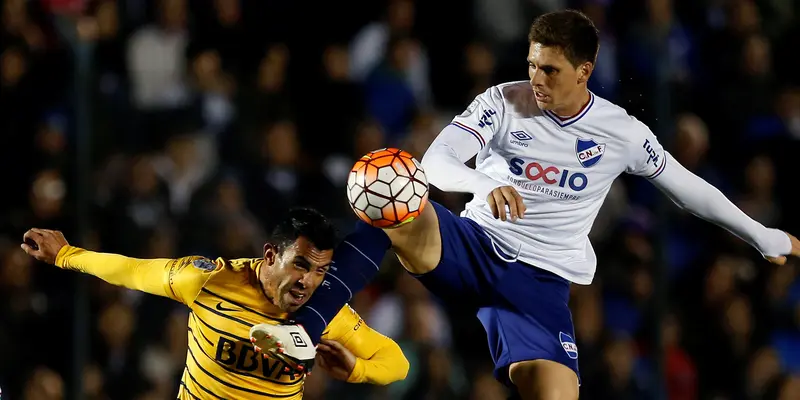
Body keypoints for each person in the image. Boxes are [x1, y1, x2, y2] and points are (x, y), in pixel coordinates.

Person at [252, 9, 800, 400]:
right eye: (533, 64)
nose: (536, 79)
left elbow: (688, 188)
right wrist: (480, 185)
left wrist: (764, 236)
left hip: (538, 288)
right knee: (393, 190)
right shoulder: (503, 101)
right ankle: (307, 326)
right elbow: (435, 162)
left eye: (551, 70)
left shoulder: (621, 132)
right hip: (472, 245)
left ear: (584, 72)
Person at [20, 208, 409, 399]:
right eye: (301, 265)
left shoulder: (325, 313)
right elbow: (134, 271)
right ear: (271, 254)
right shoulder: (209, 280)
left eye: (321, 271)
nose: (308, 281)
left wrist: (357, 369)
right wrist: (66, 255)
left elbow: (398, 363)